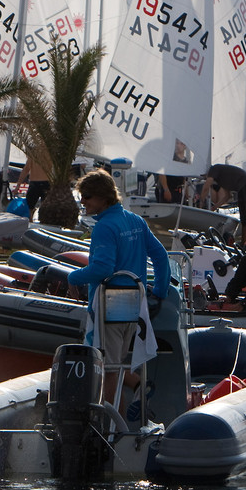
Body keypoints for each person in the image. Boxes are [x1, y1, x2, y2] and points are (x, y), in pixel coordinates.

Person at [66, 170, 174, 404]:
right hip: (135, 303)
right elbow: (161, 256)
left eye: (87, 196)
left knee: (108, 368)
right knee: (114, 364)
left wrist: (73, 277)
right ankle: (129, 402)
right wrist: (160, 291)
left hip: (111, 302)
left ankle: (110, 429)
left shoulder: (105, 227)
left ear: (103, 198)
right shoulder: (135, 220)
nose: (82, 201)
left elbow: (103, 269)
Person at [205, 162, 246, 239]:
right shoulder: (222, 178)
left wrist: (201, 202)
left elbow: (206, 187)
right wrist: (214, 208)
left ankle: (245, 242)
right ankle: (245, 240)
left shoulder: (213, 169)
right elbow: (227, 196)